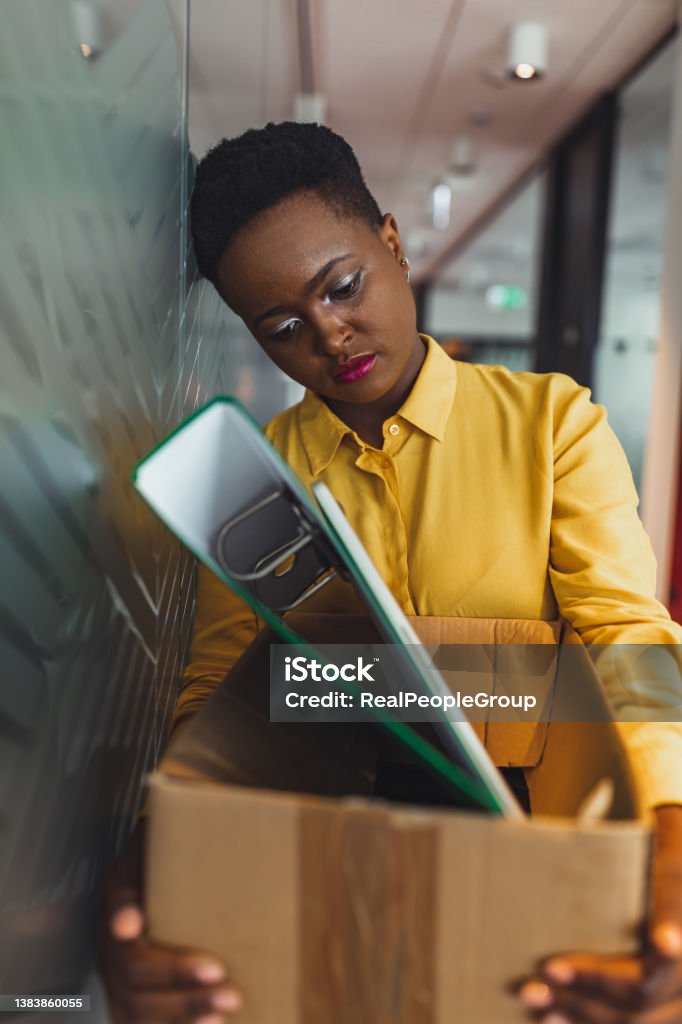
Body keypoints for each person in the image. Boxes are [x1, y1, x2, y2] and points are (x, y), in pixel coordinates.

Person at [99, 121, 682, 1024]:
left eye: (343, 286)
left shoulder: (551, 424)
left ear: (395, 244)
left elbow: (626, 640)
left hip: (541, 849)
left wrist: (674, 826)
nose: (330, 336)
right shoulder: (253, 484)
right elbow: (219, 687)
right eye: (283, 327)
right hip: (332, 860)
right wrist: (167, 842)